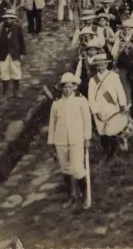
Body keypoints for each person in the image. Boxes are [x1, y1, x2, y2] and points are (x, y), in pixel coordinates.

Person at [47, 73, 92, 209]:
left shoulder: (81, 101)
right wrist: (52, 143)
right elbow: (52, 125)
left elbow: (87, 120)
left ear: (74, 87)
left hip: (76, 140)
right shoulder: (56, 104)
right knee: (65, 169)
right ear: (61, 88)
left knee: (77, 169)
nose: (67, 89)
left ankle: (85, 195)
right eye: (64, 87)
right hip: (60, 140)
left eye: (70, 86)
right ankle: (71, 196)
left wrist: (87, 138)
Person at [0, 9, 25, 99]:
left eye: (10, 19)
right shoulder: (1, 28)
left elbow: (21, 41)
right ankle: (6, 92)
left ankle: (16, 92)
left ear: (14, 19)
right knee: (4, 71)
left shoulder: (17, 28)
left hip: (14, 53)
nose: (8, 20)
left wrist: (22, 53)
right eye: (7, 19)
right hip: (3, 54)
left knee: (16, 71)